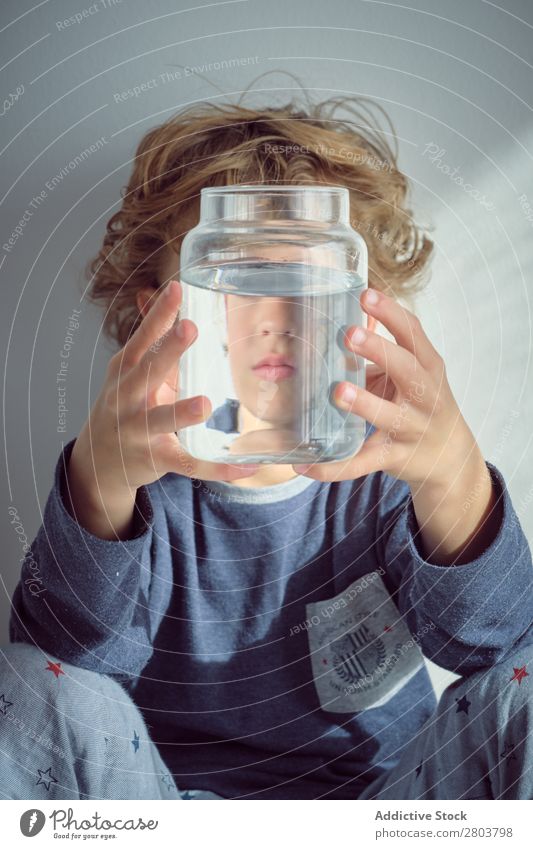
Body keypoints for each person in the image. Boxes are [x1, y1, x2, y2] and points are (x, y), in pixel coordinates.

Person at [1, 98, 532, 801]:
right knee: (23, 681)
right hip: (163, 814)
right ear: (151, 312)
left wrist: (454, 476)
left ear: (363, 307)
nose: (278, 318)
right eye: (237, 277)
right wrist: (98, 491)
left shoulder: (384, 470)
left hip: (387, 811)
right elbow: (62, 674)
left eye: (309, 283)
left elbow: (497, 652)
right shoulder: (137, 474)